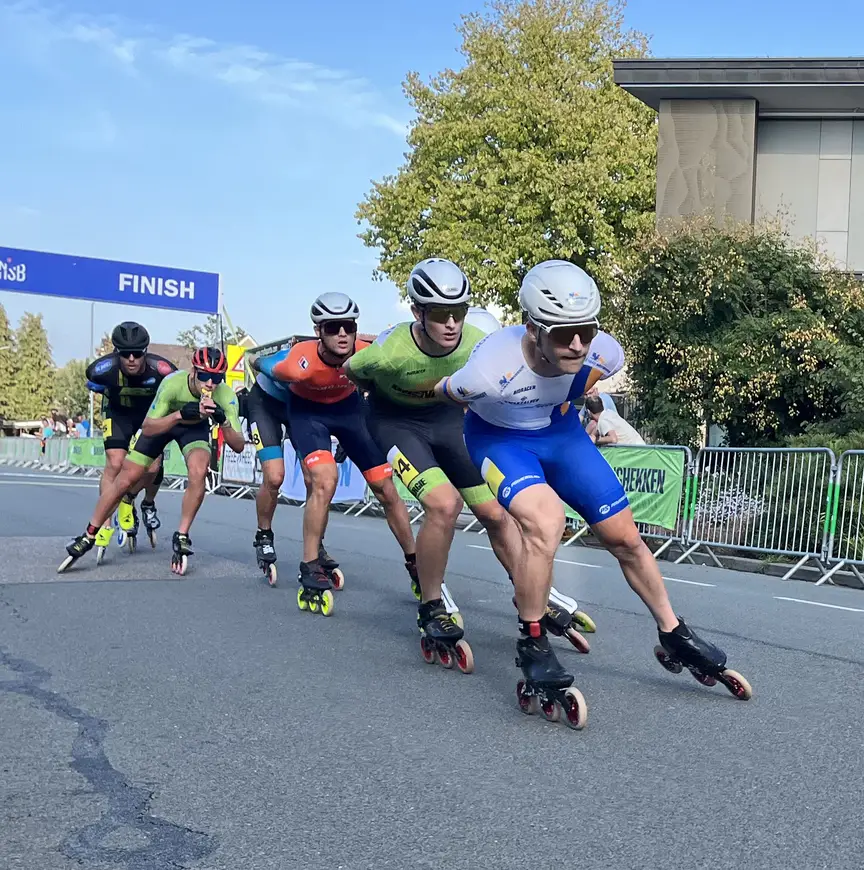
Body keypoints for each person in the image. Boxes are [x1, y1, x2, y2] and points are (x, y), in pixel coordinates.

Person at [436, 259, 751, 724]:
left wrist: (569, 389)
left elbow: (588, 374)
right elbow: (445, 391)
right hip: (501, 442)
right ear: (532, 329)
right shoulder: (486, 370)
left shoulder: (605, 353)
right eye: (565, 335)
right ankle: (532, 640)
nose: (578, 344)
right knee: (546, 523)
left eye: (586, 331)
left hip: (562, 435)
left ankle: (673, 632)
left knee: (625, 538)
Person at [343, 258, 526, 671]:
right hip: (394, 423)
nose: (451, 324)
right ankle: (431, 605)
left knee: (495, 512)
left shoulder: (477, 342)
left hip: (445, 420)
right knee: (444, 505)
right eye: (441, 314)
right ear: (417, 312)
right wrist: (376, 398)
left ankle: (527, 591)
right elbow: (354, 371)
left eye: (458, 312)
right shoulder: (388, 352)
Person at [251, 293, 416, 608]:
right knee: (321, 480)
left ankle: (416, 562)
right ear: (318, 331)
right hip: (303, 410)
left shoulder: (367, 353)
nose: (342, 334)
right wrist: (261, 363)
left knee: (385, 486)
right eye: (332, 327)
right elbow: (256, 362)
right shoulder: (299, 363)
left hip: (347, 410)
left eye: (349, 327)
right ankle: (307, 561)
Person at [60, 347, 245, 575]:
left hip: (194, 429)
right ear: (193, 371)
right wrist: (179, 414)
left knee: (199, 472)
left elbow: (238, 446)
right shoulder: (172, 383)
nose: (210, 383)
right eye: (205, 375)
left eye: (217, 378)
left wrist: (223, 420)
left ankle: (182, 534)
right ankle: (89, 534)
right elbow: (148, 427)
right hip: (164, 422)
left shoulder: (226, 396)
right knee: (126, 478)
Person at [85, 322, 177, 555]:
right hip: (118, 414)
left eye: (137, 353)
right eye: (125, 354)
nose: (132, 359)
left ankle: (130, 499)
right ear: (116, 353)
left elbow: (178, 388)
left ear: (146, 352)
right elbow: (90, 378)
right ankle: (105, 523)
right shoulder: (102, 369)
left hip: (149, 416)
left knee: (152, 466)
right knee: (115, 462)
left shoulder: (162, 370)